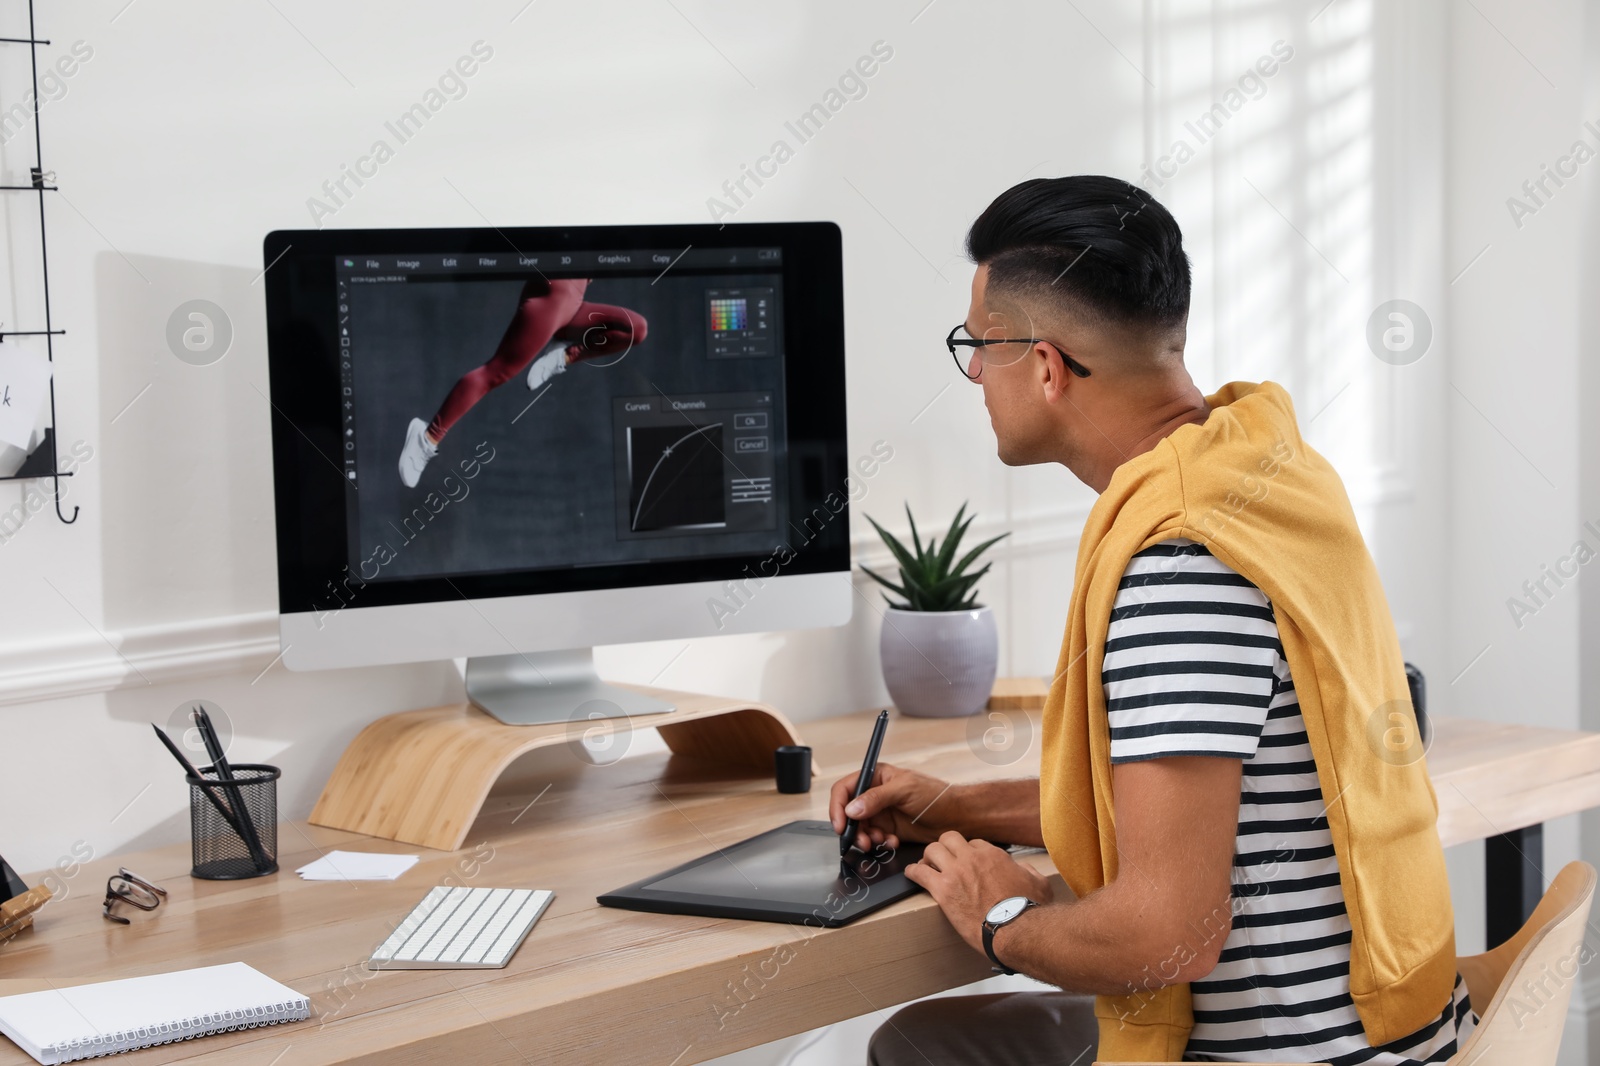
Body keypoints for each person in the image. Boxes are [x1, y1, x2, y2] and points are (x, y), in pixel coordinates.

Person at [834, 176, 1476, 1065]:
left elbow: (1168, 936)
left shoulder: (1178, 561)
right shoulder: (1264, 473)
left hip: (1284, 1054)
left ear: (1047, 366)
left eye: (979, 347)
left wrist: (1004, 919)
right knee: (928, 1039)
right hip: (1403, 1034)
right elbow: (1180, 808)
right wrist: (954, 807)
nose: (976, 374)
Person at [398, 275, 648, 487]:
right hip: (550, 301)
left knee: (636, 328)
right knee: (496, 373)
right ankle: (428, 436)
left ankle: (564, 355)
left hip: (572, 307)